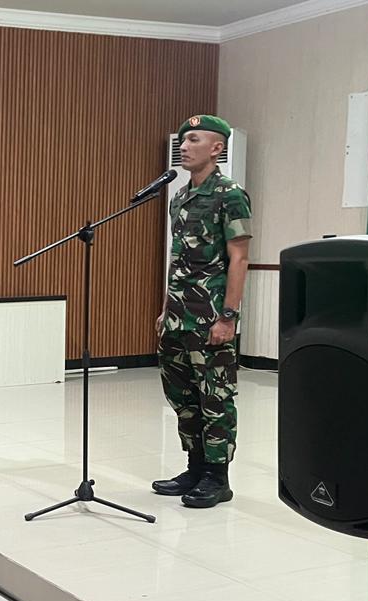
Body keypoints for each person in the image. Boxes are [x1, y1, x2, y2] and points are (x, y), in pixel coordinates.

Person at [152, 115, 253, 509]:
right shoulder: (179, 196)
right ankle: (194, 467)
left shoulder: (230, 194)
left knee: (215, 396)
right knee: (183, 396)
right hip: (178, 316)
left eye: (194, 138)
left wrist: (228, 316)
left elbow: (240, 257)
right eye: (182, 138)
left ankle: (217, 477)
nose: (184, 144)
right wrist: (165, 310)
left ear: (216, 148)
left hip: (211, 316)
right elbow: (176, 260)